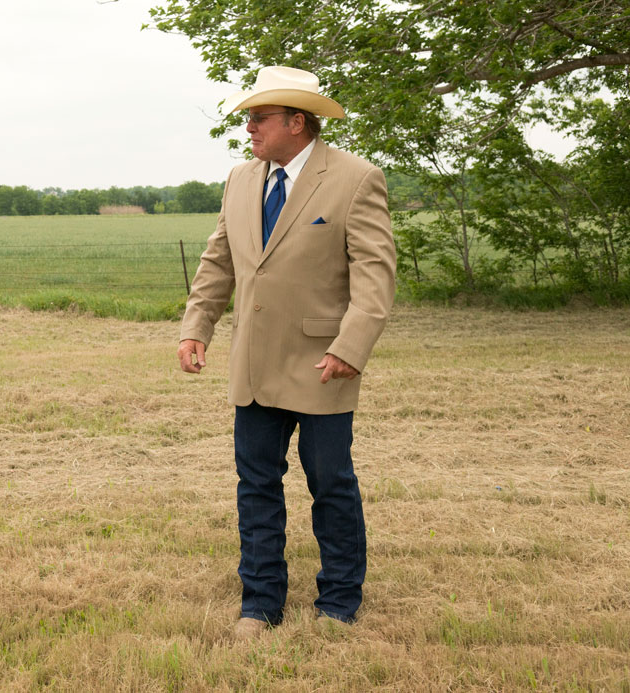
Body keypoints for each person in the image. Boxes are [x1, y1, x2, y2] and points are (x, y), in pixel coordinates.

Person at [177, 67, 396, 638]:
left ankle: (340, 602)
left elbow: (375, 278)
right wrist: (195, 327)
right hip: (252, 364)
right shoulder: (240, 180)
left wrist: (350, 348)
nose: (248, 128)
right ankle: (260, 603)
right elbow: (218, 261)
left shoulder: (355, 178)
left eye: (258, 118)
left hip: (325, 365)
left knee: (331, 485)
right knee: (255, 486)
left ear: (296, 122)